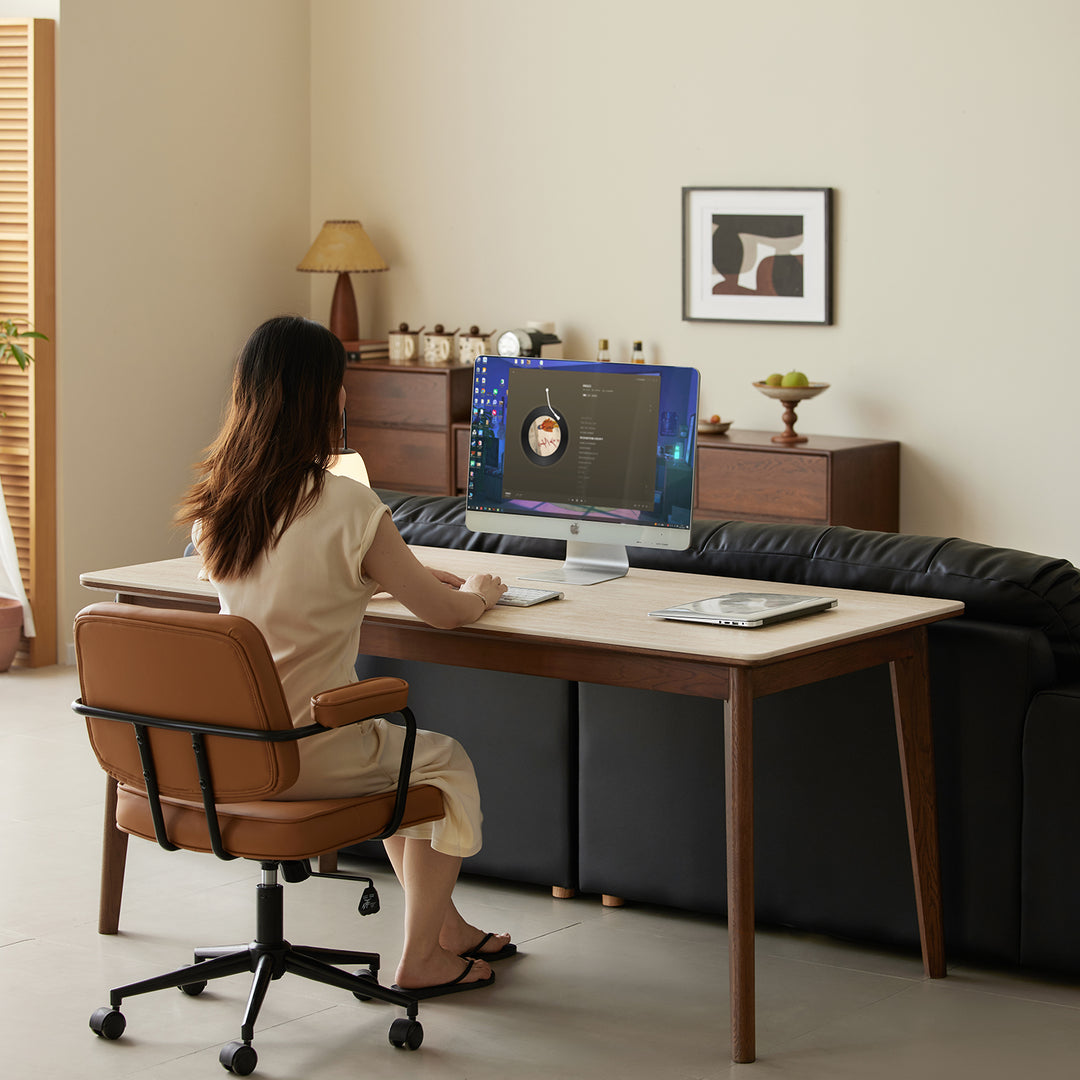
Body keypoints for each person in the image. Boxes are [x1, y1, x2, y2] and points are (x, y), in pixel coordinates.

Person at [176, 315, 513, 998]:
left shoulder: (215, 504)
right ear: (322, 397)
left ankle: (445, 930)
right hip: (309, 749)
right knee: (443, 764)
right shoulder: (347, 504)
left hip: (225, 754)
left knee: (396, 766)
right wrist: (480, 591)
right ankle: (422, 959)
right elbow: (445, 615)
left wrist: (371, 581)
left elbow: (277, 593)